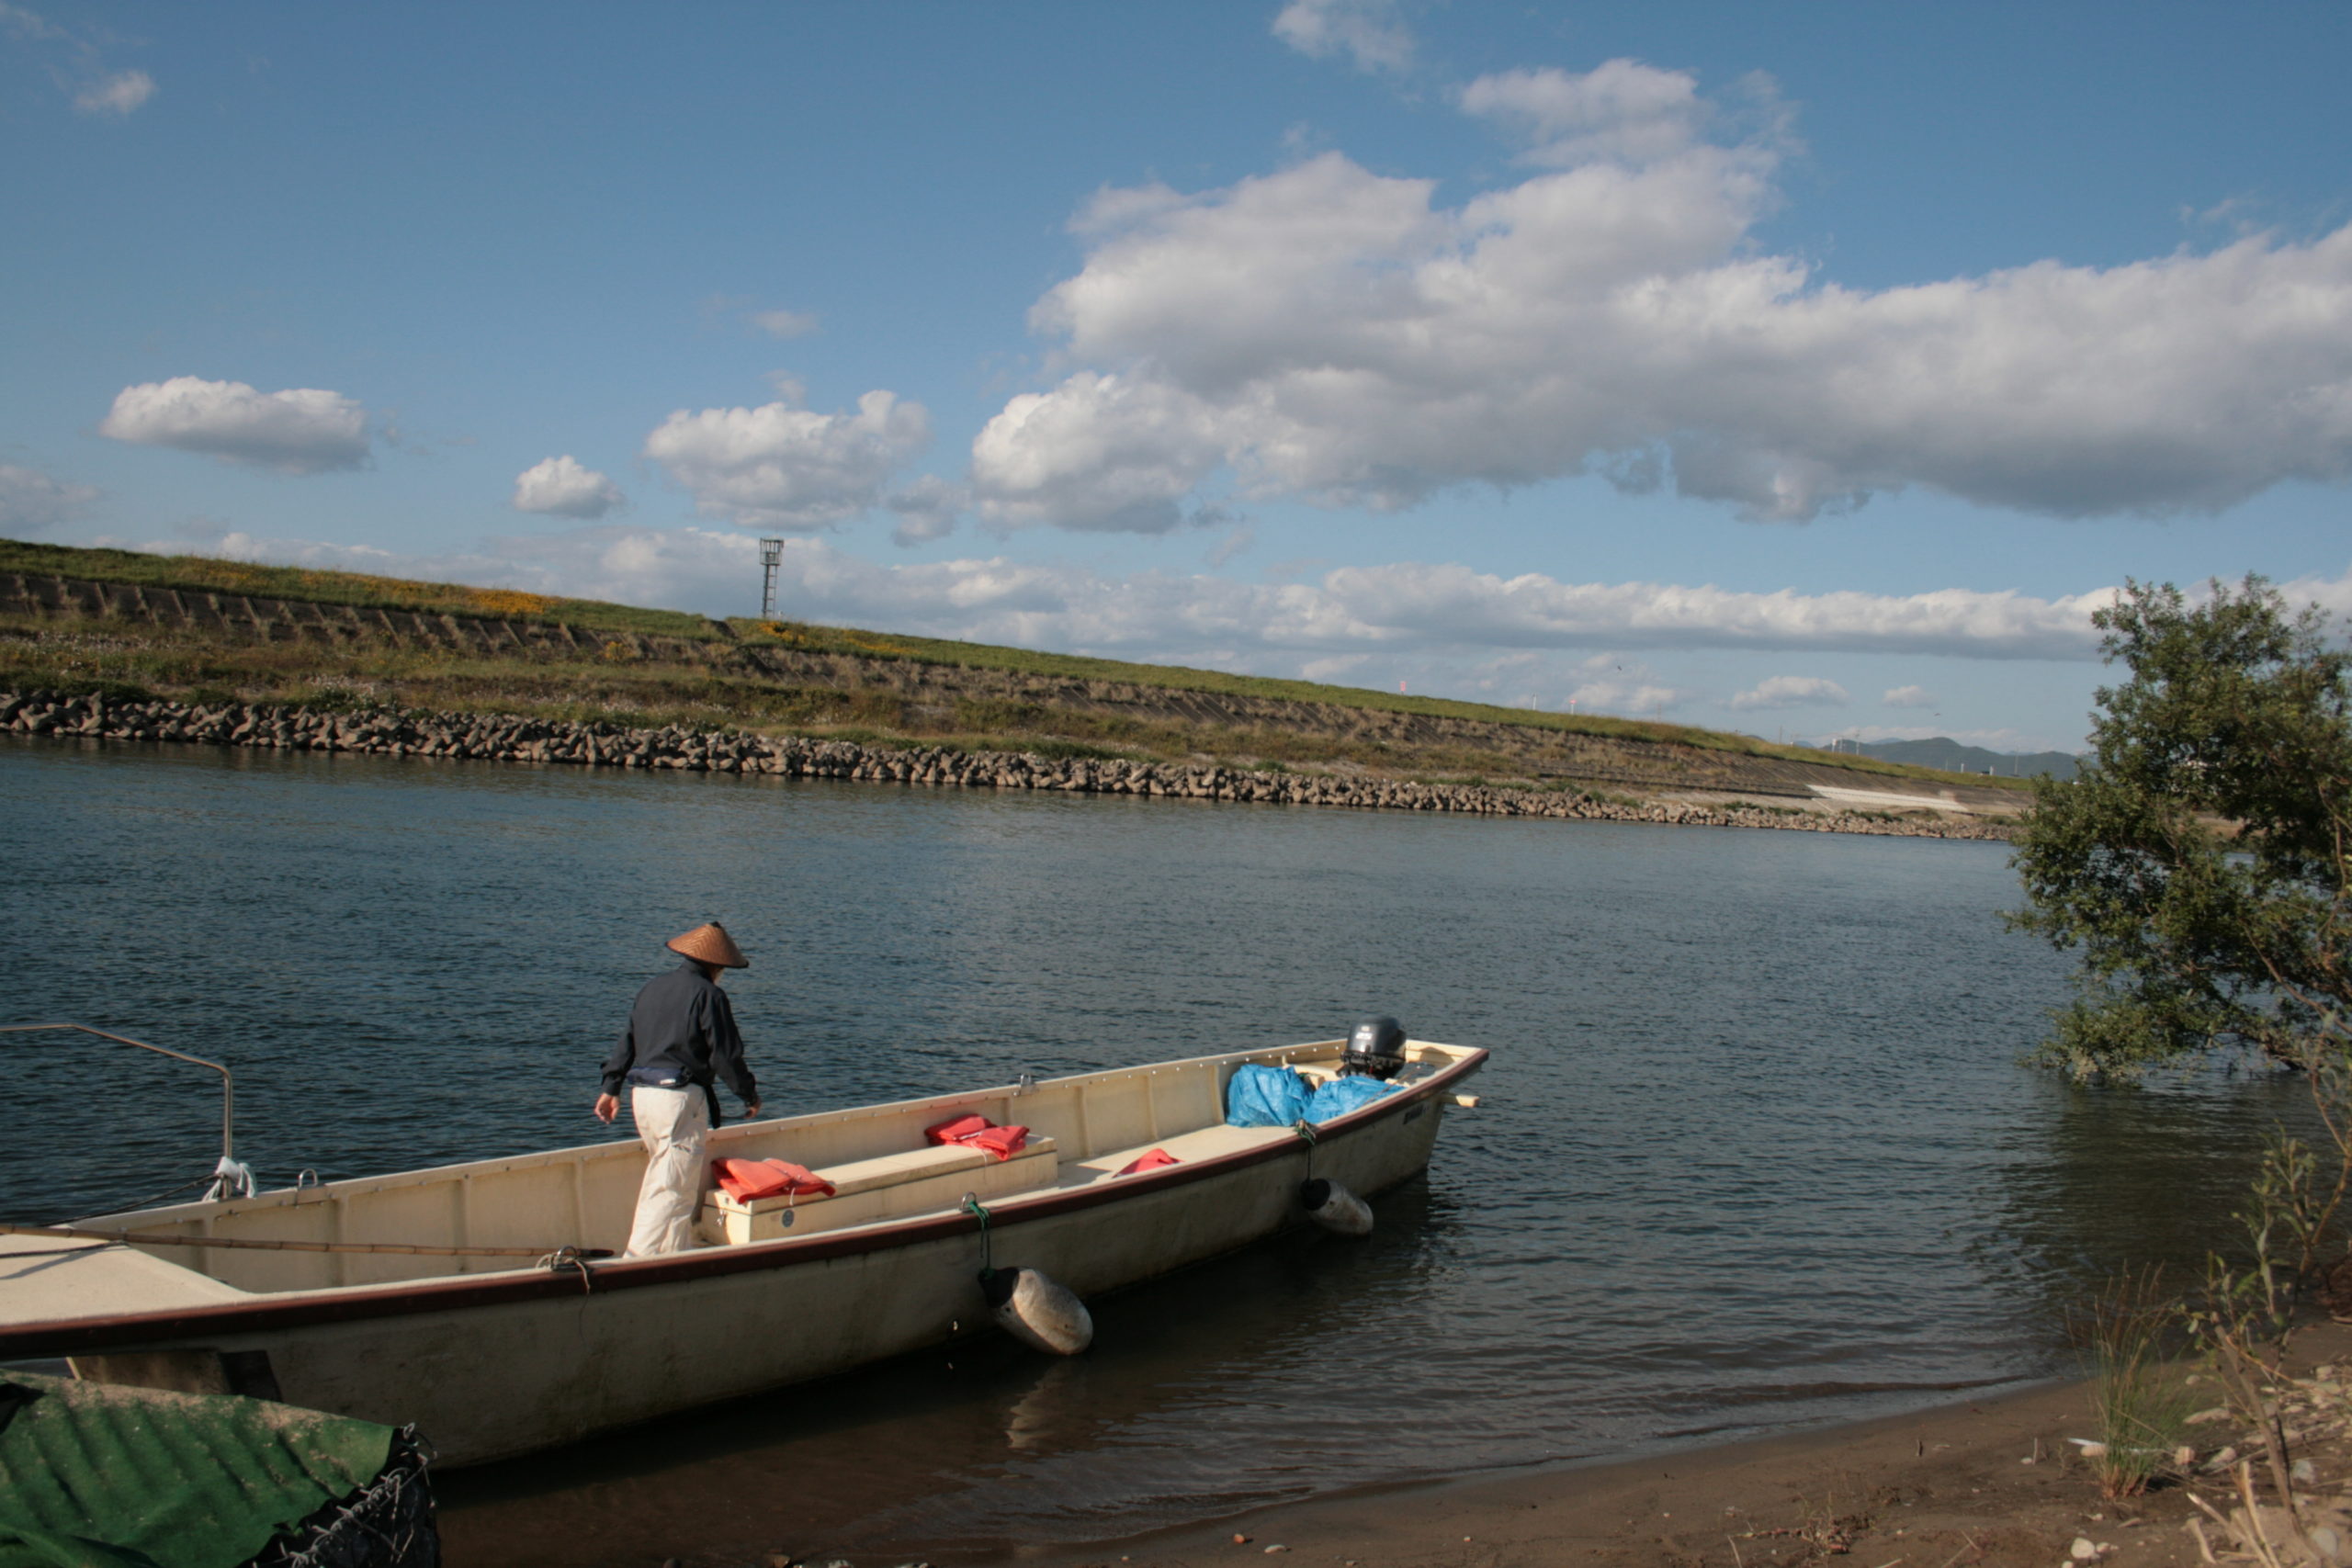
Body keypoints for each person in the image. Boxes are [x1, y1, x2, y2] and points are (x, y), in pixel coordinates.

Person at [595, 921, 764, 1257]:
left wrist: (611, 1086)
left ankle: (673, 1253)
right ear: (717, 965)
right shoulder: (710, 995)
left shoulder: (652, 988)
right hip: (679, 1097)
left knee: (669, 1177)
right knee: (672, 1186)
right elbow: (725, 1055)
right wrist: (748, 1095)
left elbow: (628, 1040)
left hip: (641, 1096)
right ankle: (638, 1260)